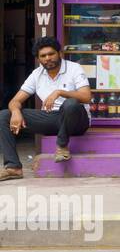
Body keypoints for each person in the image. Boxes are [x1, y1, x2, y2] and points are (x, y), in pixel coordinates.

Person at [0, 37, 92, 179]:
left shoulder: (74, 68)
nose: (48, 58)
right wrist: (16, 111)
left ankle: (61, 146)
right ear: (38, 59)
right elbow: (15, 100)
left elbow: (86, 96)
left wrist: (60, 92)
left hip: (76, 120)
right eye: (43, 56)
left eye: (51, 54)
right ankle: (13, 167)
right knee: (4, 115)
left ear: (59, 53)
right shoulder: (37, 74)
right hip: (52, 118)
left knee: (71, 104)